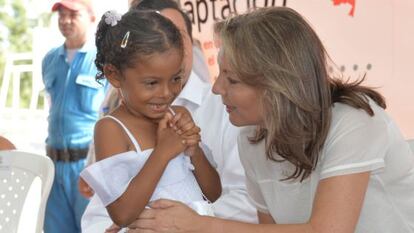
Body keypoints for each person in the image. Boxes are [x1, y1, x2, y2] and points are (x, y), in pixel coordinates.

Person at [126, 7, 414, 233]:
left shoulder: (354, 121)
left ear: (278, 85)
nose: (216, 89)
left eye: (232, 79)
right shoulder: (252, 140)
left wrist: (201, 225)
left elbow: (328, 230)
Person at [80, 9, 221, 232]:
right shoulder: (111, 129)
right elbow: (123, 213)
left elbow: (212, 194)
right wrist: (164, 151)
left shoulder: (177, 116)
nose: (167, 93)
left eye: (176, 79)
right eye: (152, 83)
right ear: (114, 74)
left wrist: (195, 150)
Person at [130, 0, 258, 223]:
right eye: (152, 40)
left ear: (191, 43)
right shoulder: (121, 119)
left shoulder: (230, 107)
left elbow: (249, 201)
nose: (166, 46)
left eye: (176, 36)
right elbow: (100, 213)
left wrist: (176, 221)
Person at [41, 0, 108, 232]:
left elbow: (112, 111)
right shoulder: (49, 60)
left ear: (91, 17)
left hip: (87, 165)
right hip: (53, 165)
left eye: (73, 14)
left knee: (91, 228)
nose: (65, 20)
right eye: (61, 14)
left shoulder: (104, 60)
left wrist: (98, 165)